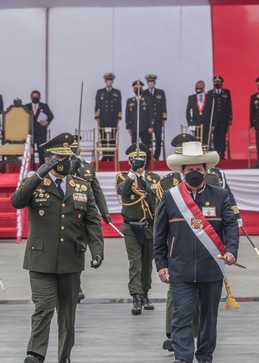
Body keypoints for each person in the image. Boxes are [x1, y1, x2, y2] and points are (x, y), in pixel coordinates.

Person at [11, 132, 104, 363]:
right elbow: (17, 201)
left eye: (68, 157)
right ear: (48, 159)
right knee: (43, 307)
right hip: (41, 260)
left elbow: (92, 221)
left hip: (71, 258)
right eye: (58, 157)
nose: (64, 162)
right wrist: (37, 176)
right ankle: (36, 354)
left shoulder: (81, 186)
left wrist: (97, 249)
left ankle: (64, 356)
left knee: (67, 316)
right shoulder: (35, 182)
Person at [154, 140, 239, 363]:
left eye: (198, 169)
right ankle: (182, 358)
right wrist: (161, 264)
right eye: (190, 170)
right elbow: (160, 234)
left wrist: (231, 250)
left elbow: (231, 225)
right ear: (182, 171)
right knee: (181, 316)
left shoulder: (220, 195)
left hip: (211, 269)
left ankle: (204, 356)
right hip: (179, 270)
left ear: (206, 171)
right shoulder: (170, 197)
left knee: (208, 319)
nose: (194, 173)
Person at [116, 143, 161, 315]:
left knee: (147, 263)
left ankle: (145, 293)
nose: (138, 162)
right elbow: (123, 191)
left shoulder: (155, 179)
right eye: (134, 160)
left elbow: (157, 201)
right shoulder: (123, 177)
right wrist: (132, 173)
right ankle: (135, 296)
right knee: (135, 262)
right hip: (131, 226)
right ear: (129, 161)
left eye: (141, 159)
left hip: (149, 226)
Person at [69, 135, 111, 303]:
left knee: (81, 250)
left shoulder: (87, 166)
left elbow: (96, 189)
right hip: (70, 214)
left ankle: (75, 283)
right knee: (72, 252)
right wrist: (71, 169)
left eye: (74, 148)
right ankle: (75, 285)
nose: (73, 151)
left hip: (86, 213)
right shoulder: (62, 166)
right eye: (70, 149)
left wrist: (104, 211)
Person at [94, 72, 122, 161]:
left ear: (112, 82)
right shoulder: (100, 92)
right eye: (108, 81)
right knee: (103, 138)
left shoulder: (117, 92)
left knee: (113, 138)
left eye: (111, 81)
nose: (109, 83)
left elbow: (119, 106)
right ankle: (105, 155)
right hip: (103, 119)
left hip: (113, 119)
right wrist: (97, 118)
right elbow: (96, 106)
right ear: (105, 82)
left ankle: (112, 156)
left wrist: (119, 117)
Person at [125, 80, 154, 159]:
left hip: (145, 127)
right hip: (134, 127)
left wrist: (151, 126)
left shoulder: (147, 100)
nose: (137, 90)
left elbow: (151, 114)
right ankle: (135, 162)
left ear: (142, 89)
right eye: (135, 88)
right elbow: (127, 114)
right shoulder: (130, 101)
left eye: (139, 88)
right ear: (133, 90)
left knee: (145, 146)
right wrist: (128, 127)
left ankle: (146, 164)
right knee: (134, 146)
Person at [25, 90, 54, 167]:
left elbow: (51, 116)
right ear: (31, 97)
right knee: (30, 150)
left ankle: (42, 166)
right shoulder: (26, 106)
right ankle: (31, 166)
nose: (35, 98)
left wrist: (47, 122)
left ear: (39, 97)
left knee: (41, 151)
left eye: (36, 96)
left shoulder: (44, 106)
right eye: (33, 96)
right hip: (30, 133)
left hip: (41, 132)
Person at [208, 75, 233, 158]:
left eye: (219, 82)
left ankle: (222, 153)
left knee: (222, 136)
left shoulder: (226, 92)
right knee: (215, 137)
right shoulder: (211, 93)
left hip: (223, 119)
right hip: (214, 120)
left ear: (222, 83)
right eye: (216, 82)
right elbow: (208, 107)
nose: (217, 83)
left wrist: (230, 117)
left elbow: (229, 105)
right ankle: (215, 153)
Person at [145, 74, 168, 160]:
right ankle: (148, 156)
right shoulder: (145, 93)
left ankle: (157, 156)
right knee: (147, 140)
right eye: (149, 82)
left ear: (155, 83)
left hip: (158, 120)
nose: (151, 84)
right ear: (147, 83)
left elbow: (164, 105)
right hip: (148, 121)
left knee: (158, 139)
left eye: (152, 82)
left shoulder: (160, 92)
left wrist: (164, 118)